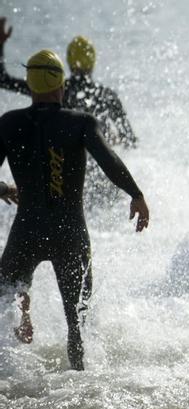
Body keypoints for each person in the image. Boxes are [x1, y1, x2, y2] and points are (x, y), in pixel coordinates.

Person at [0, 50, 150, 370]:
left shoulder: (9, 123)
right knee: (77, 327)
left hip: (25, 233)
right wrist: (136, 194)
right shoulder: (79, 122)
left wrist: (2, 189)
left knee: (3, 304)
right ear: (60, 84)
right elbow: (109, 160)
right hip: (68, 234)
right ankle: (79, 385)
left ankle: (12, 369)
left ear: (30, 82)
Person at [0, 19, 137, 147]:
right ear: (93, 61)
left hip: (60, 167)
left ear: (68, 60)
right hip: (98, 168)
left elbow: (3, 80)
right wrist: (110, 140)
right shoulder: (107, 96)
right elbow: (130, 141)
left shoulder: (51, 89)